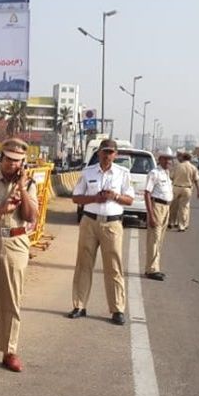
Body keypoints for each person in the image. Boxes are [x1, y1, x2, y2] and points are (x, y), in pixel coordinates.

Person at [0, 138, 38, 373]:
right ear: (1, 158)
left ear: (23, 163)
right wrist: (2, 209)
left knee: (12, 298)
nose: (11, 165)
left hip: (16, 241)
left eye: (17, 161)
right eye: (8, 159)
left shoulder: (30, 184)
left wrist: (22, 188)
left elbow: (30, 215)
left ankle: (9, 350)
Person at [68, 139, 134, 326]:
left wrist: (115, 196)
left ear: (116, 155)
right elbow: (76, 197)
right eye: (104, 151)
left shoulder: (123, 174)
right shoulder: (88, 172)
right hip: (89, 221)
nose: (107, 155)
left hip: (112, 224)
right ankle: (79, 305)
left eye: (111, 152)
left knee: (114, 267)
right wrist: (95, 198)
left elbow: (129, 200)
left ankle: (117, 309)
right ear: (98, 153)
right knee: (83, 264)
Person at [143, 153, 174, 281]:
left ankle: (155, 267)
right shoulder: (154, 173)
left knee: (159, 240)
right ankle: (151, 270)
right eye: (165, 159)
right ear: (160, 159)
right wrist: (151, 215)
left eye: (170, 159)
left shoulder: (166, 174)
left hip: (166, 208)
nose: (168, 161)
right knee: (154, 239)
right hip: (157, 207)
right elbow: (147, 193)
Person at [168, 152, 199, 231]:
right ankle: (182, 225)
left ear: (183, 158)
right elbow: (196, 180)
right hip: (187, 189)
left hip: (176, 188)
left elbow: (171, 177)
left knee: (173, 206)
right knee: (184, 207)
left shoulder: (177, 166)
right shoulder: (193, 168)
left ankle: (171, 222)